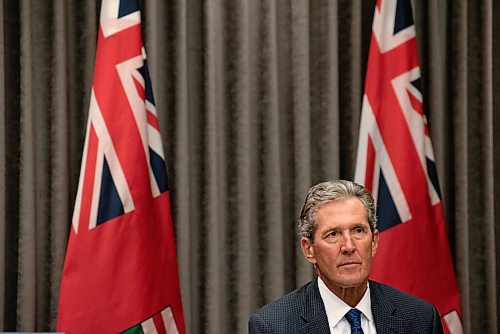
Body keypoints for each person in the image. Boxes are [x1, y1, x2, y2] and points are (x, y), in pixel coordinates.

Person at [248, 180, 443, 334]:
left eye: (358, 231)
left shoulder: (420, 319)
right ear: (309, 249)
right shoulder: (274, 326)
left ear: (374, 241)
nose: (349, 246)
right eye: (333, 234)